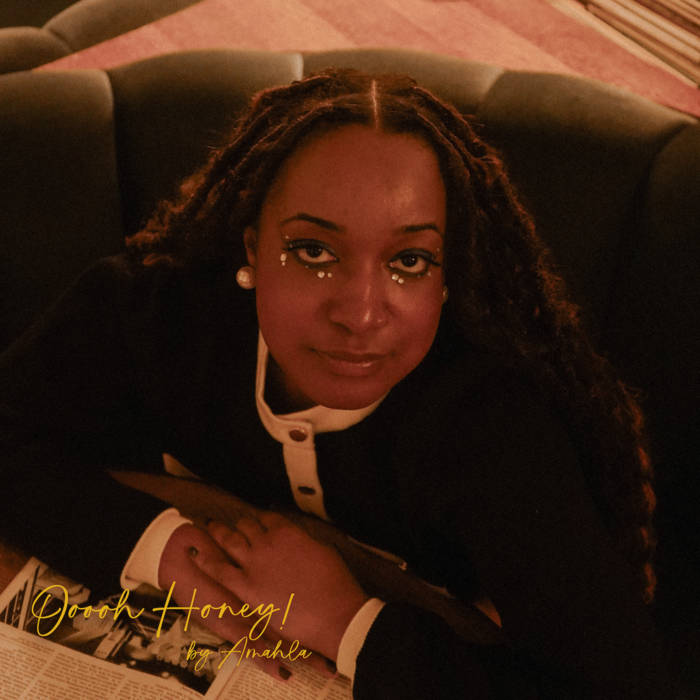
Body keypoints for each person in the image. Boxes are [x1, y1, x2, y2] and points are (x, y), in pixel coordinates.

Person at [0, 69, 671, 698]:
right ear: (253, 248)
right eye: (314, 251)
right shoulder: (150, 315)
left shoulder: (493, 429)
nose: (360, 313)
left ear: (448, 278)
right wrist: (169, 551)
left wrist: (348, 621)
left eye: (410, 260)